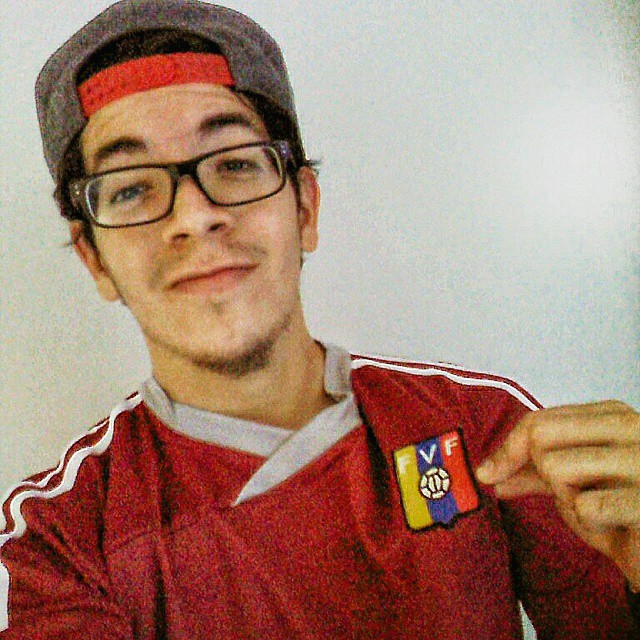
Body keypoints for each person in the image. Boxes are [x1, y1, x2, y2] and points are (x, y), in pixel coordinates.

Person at [0, 1, 638, 637]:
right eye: (131, 188)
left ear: (304, 209)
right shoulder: (54, 544)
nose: (193, 217)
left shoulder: (486, 427)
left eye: (234, 163)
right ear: (94, 259)